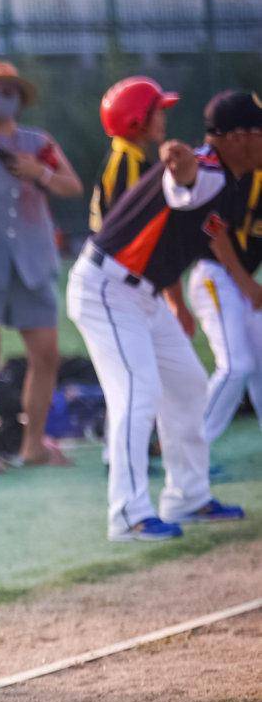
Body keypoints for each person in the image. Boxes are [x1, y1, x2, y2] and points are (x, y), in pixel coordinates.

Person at [65, 90, 262, 541]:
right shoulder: (207, 168)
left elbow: (201, 228)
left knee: (190, 385)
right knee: (138, 390)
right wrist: (183, 171)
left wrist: (175, 301)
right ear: (240, 138)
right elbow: (184, 187)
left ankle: (188, 497)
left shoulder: (229, 183)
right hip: (107, 290)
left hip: (143, 295)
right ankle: (128, 514)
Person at [0, 30, 84, 474]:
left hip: (32, 261)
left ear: (19, 98)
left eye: (7, 91)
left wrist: (38, 172)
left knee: (46, 354)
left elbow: (71, 185)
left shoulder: (38, 141)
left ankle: (33, 446)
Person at [183, 145, 262, 444]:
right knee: (235, 366)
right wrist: (247, 284)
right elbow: (214, 232)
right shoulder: (230, 177)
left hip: (242, 281)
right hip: (216, 276)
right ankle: (189, 450)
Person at [91, 76, 179, 232]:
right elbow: (130, 224)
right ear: (137, 119)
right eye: (159, 112)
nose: (163, 118)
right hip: (118, 254)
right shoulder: (127, 161)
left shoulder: (130, 155)